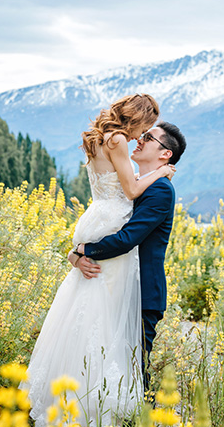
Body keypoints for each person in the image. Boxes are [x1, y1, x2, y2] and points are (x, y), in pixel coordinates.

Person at [20, 94, 175, 427]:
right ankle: (99, 412)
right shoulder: (120, 142)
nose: (142, 137)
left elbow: (127, 221)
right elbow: (131, 192)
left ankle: (84, 405)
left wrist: (78, 251)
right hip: (109, 231)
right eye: (145, 130)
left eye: (149, 136)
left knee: (88, 317)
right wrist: (79, 252)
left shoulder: (103, 139)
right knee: (101, 322)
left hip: (98, 223)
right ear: (136, 119)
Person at [71, 122, 186, 389]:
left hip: (143, 294)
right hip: (117, 287)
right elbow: (104, 226)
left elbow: (127, 239)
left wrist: (85, 250)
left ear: (165, 153)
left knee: (133, 372)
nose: (139, 140)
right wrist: (74, 255)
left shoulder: (160, 191)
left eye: (148, 138)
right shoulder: (131, 187)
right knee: (108, 364)